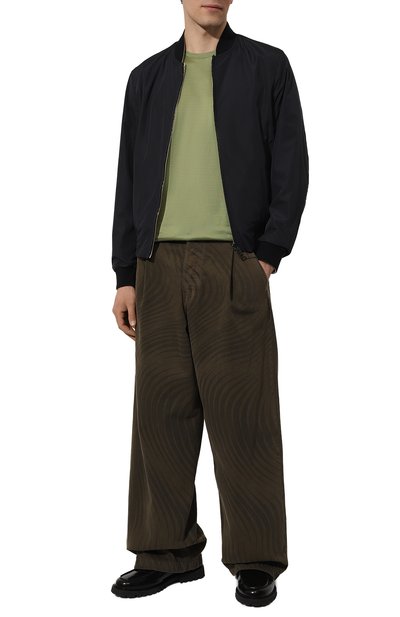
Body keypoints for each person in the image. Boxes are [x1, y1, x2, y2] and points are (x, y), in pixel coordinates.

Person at [110, 0, 309, 608]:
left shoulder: (267, 68)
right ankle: (165, 554)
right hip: (156, 266)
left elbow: (292, 162)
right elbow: (127, 178)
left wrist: (268, 253)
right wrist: (125, 274)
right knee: (160, 418)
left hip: (234, 262)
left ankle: (256, 559)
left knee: (244, 417)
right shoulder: (146, 78)